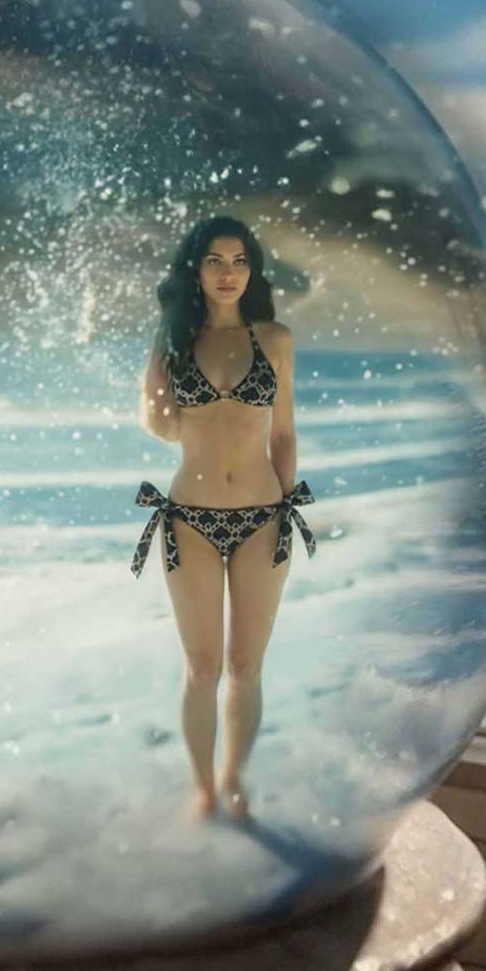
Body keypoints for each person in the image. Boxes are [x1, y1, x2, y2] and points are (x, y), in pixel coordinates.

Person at [133, 216, 315, 822]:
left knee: (245, 666)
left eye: (239, 261)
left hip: (265, 517)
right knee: (203, 668)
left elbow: (284, 435)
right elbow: (160, 427)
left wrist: (289, 508)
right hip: (189, 520)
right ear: (197, 270)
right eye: (215, 260)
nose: (228, 272)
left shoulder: (276, 339)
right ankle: (201, 788)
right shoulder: (177, 339)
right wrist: (161, 346)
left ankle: (235, 779)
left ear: (252, 270)